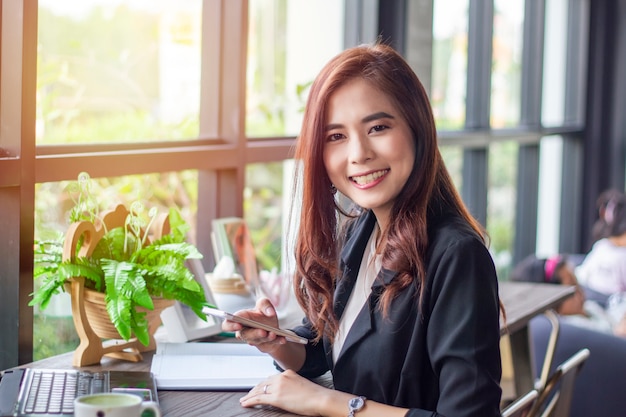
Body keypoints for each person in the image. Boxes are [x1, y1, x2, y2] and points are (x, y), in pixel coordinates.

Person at [221, 43, 503, 417]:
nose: (358, 153)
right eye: (336, 136)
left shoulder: (456, 255)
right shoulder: (362, 229)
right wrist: (276, 342)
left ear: (418, 129)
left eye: (378, 127)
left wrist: (327, 402)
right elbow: (331, 347)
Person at [510, 254, 614, 335]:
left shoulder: (591, 308)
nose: (581, 293)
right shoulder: (571, 328)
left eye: (578, 283)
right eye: (572, 288)